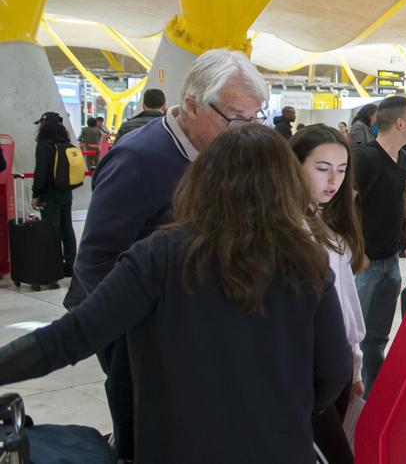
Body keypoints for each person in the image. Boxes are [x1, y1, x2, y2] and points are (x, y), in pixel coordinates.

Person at [0, 125, 351, 462]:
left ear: (203, 179)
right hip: (280, 448)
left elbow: (71, 337)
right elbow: (334, 368)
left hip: (177, 448)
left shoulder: (159, 255)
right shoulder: (307, 262)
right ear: (286, 185)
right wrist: (289, 406)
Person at [72, 49, 269, 460]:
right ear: (193, 105)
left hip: (198, 328)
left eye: (255, 119)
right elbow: (95, 258)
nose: (245, 131)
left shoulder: (224, 153)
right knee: (147, 435)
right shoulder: (140, 159)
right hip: (139, 335)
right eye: (235, 118)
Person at [290, 125, 367, 464]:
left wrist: (355, 364)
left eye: (341, 170)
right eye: (322, 169)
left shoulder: (325, 220)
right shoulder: (289, 228)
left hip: (337, 365)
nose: (333, 180)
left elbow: (346, 301)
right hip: (307, 371)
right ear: (293, 165)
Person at [352, 95, 406, 395]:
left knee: (377, 337)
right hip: (363, 265)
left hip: (390, 263)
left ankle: (374, 398)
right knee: (352, 338)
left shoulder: (404, 160)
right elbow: (344, 207)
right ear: (399, 123)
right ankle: (351, 401)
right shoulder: (364, 157)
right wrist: (357, 252)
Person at [32, 112, 76, 280]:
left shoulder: (44, 144)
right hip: (66, 191)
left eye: (40, 123)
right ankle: (70, 265)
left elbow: (41, 172)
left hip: (50, 194)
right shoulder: (66, 142)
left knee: (51, 230)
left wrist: (36, 193)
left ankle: (54, 266)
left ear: (45, 124)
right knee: (67, 228)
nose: (38, 127)